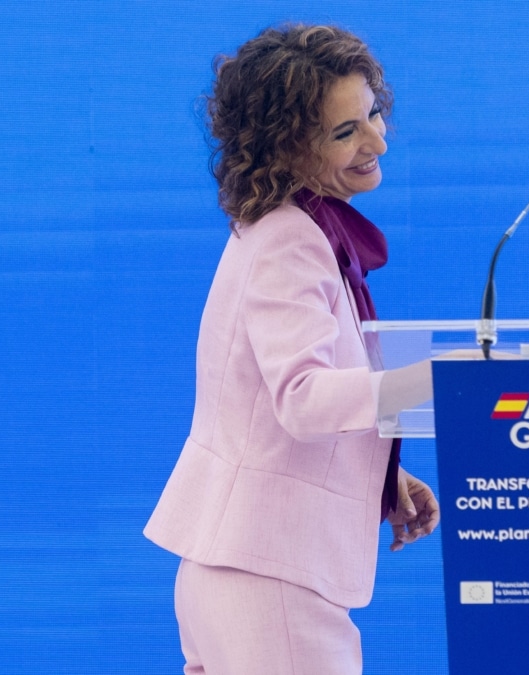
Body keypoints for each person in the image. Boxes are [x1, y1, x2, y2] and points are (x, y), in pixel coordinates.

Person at [144, 24, 439, 675]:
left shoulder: (280, 228)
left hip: (235, 569)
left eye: (373, 114)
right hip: (268, 579)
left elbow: (280, 406)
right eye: (346, 133)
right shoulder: (292, 240)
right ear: (286, 148)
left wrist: (381, 480)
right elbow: (303, 397)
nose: (377, 140)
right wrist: (440, 379)